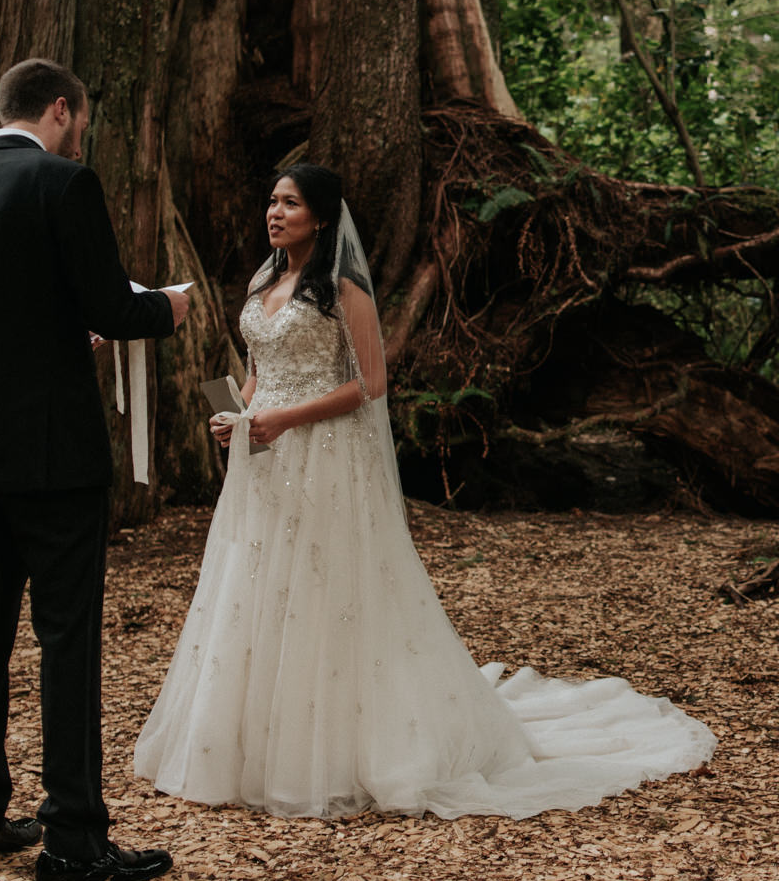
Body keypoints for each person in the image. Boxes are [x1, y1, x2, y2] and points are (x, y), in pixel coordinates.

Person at [132, 164, 713, 819]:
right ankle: (245, 745)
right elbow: (262, 373)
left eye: (290, 203)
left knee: (326, 589)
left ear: (320, 217)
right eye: (271, 200)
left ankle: (341, 749)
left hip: (324, 450)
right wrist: (239, 413)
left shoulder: (341, 287)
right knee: (259, 585)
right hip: (265, 455)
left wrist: (284, 418)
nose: (274, 211)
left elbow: (370, 383)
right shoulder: (264, 279)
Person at [0, 58, 192, 881]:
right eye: (81, 120)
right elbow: (110, 306)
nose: (80, 134)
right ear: (61, 110)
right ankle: (72, 841)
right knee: (66, 640)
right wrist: (165, 307)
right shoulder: (62, 185)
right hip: (53, 455)